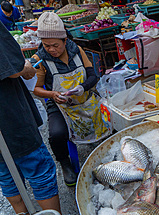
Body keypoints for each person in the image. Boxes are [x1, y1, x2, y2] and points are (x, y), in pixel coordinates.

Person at [32, 12, 109, 186]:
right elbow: (36, 89)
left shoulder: (76, 50)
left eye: (55, 45)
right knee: (57, 134)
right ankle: (65, 163)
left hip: (84, 98)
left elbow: (92, 75)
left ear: (65, 40)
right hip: (59, 104)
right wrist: (52, 94)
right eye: (46, 45)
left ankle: (101, 152)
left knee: (106, 121)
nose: (51, 50)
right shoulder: (39, 59)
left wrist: (83, 87)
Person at [0, 21, 61, 215]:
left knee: (6, 174)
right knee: (38, 169)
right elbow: (13, 68)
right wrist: (26, 67)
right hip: (10, 119)